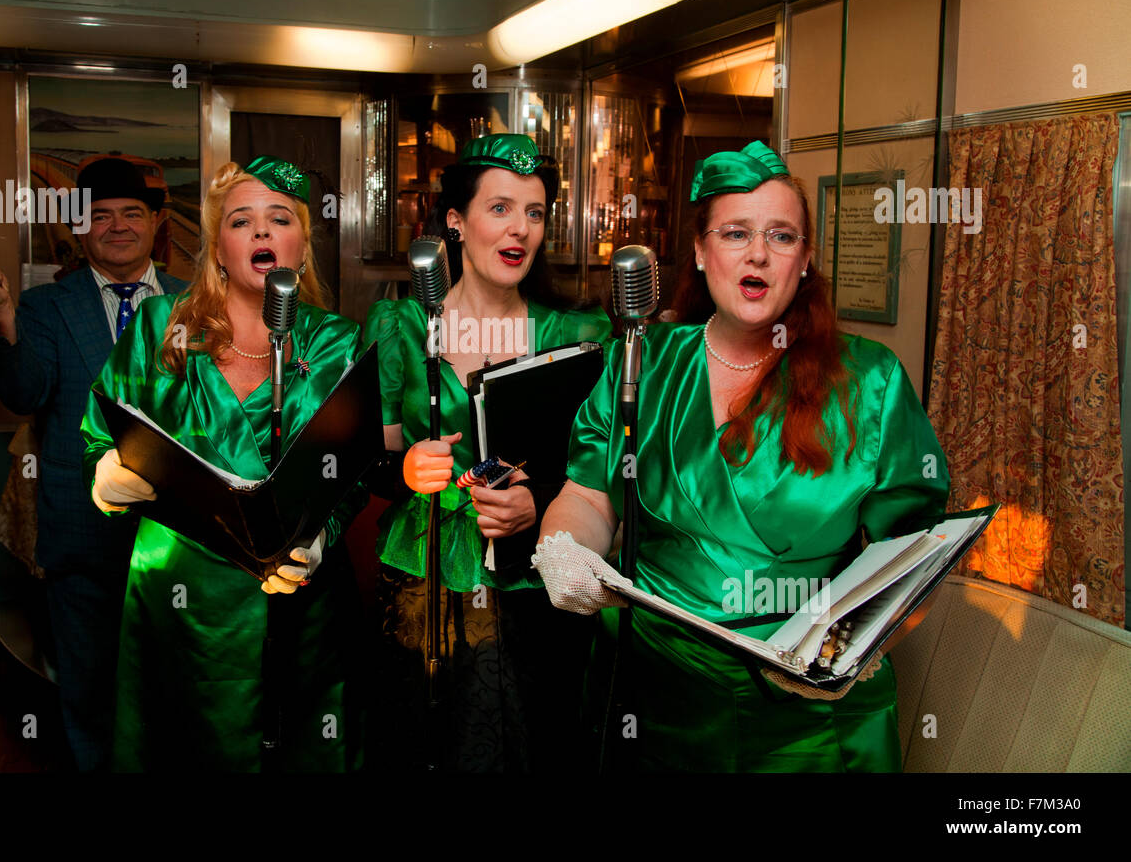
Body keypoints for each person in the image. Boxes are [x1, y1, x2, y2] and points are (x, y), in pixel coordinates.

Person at [534, 141, 950, 772]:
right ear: (701, 251)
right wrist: (566, 548)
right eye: (735, 232)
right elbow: (591, 492)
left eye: (781, 236)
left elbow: (910, 558)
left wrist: (840, 651)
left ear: (804, 260)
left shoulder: (871, 382)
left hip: (806, 715)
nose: (758, 253)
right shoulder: (641, 360)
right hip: (653, 695)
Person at [80, 156, 366, 772]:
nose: (261, 233)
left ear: (302, 246)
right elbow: (99, 433)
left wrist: (320, 538)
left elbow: (350, 472)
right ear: (218, 249)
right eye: (242, 222)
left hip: (297, 600)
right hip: (179, 602)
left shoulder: (336, 341)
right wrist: (107, 473)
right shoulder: (163, 327)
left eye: (279, 218)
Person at [363, 133, 613, 771]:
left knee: (526, 746)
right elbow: (370, 466)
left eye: (533, 212)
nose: (520, 229)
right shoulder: (399, 330)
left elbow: (599, 470)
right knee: (419, 744)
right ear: (455, 221)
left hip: (528, 591)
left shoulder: (574, 337)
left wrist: (537, 503)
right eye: (499, 208)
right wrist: (408, 470)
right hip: (421, 586)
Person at [0, 157, 188, 772]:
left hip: (180, 529)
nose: (117, 226)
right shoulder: (44, 305)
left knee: (169, 679)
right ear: (80, 230)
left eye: (131, 213)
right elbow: (26, 394)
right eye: (100, 216)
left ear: (156, 223)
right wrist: (4, 319)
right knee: (87, 683)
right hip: (83, 529)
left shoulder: (192, 303)